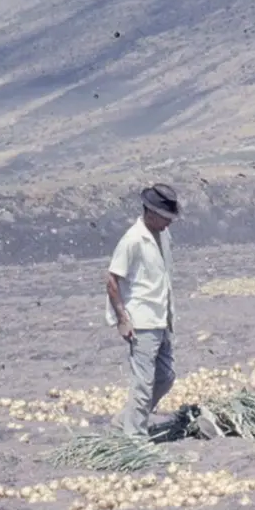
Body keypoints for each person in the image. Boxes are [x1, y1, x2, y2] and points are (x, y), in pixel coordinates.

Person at [105, 184, 181, 438]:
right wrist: (122, 319)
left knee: (166, 376)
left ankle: (124, 422)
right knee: (143, 382)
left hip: (162, 316)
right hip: (142, 319)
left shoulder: (163, 235)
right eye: (165, 218)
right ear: (150, 212)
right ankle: (135, 436)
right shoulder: (133, 240)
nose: (168, 224)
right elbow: (112, 280)